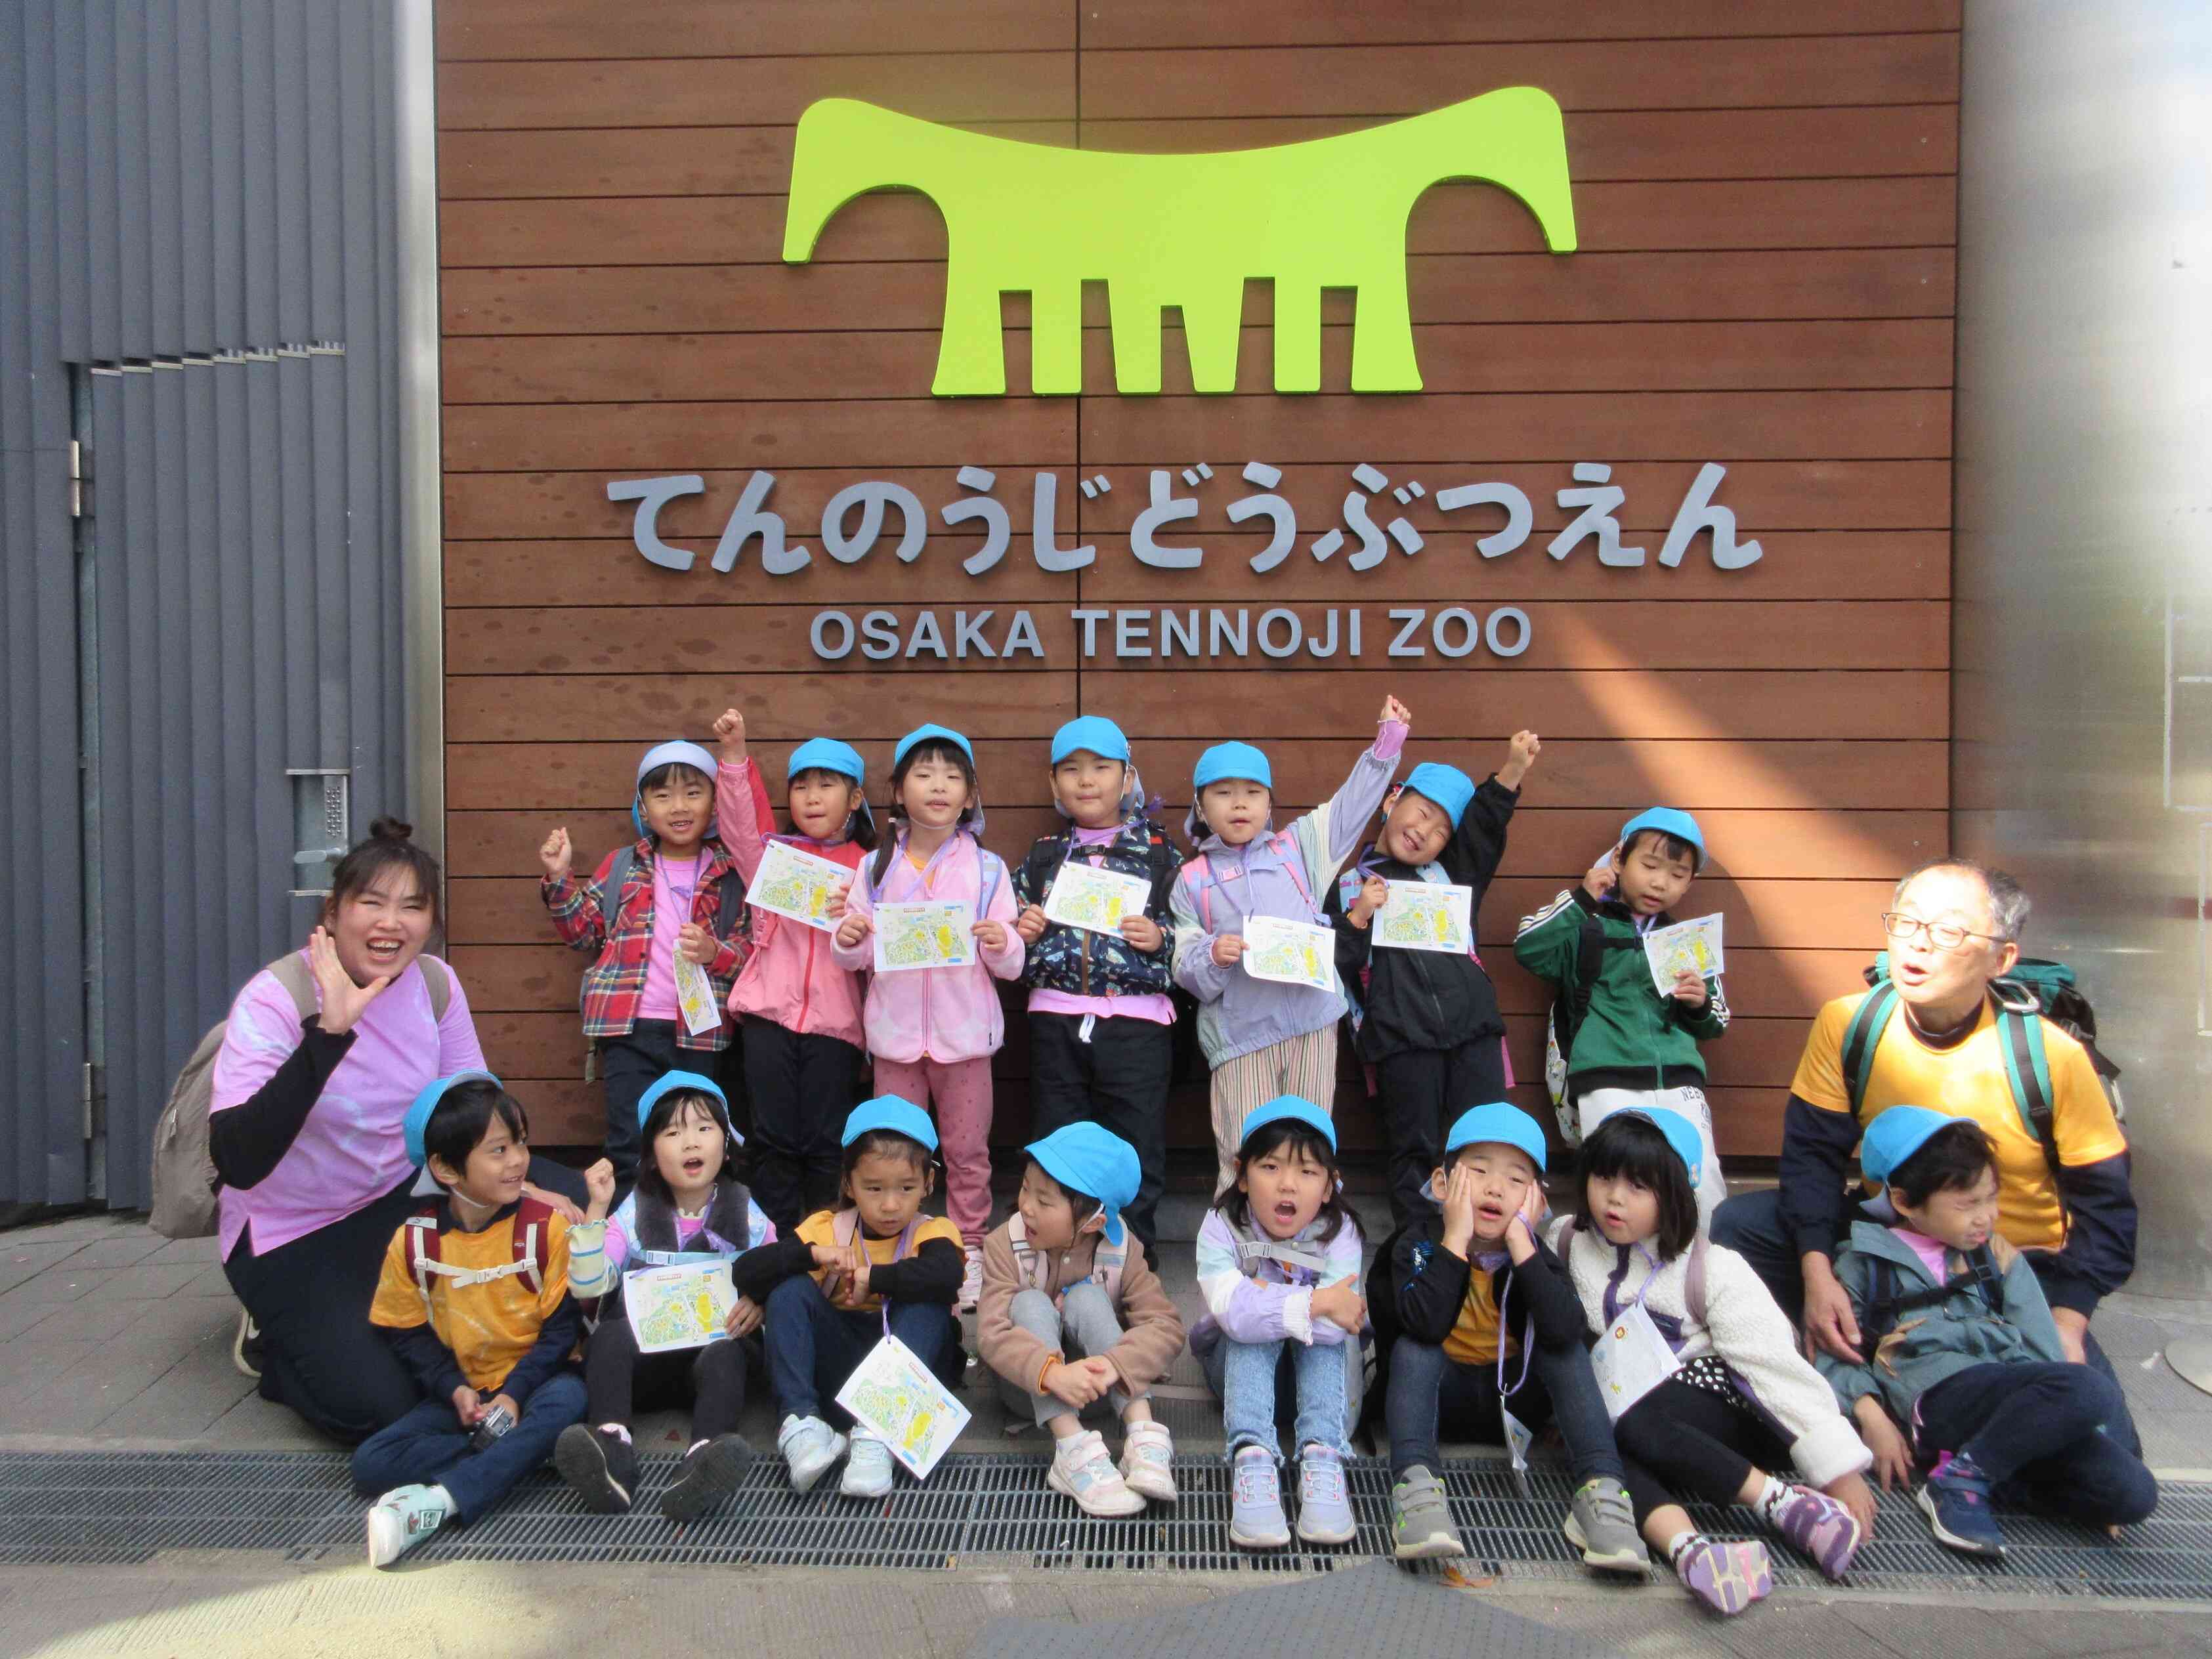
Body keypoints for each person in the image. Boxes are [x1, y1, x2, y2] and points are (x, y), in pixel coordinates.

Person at [1710, 859, 2137, 1421]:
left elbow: (2107, 1211)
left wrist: (2067, 1320)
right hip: (1887, 1251)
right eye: (1906, 923)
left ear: (2001, 957)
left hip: (2010, 1273)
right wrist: (1818, 1276)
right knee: (1742, 1226)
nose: (1918, 946)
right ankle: (1846, 1365)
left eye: (1949, 932)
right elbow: (1812, 1160)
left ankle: (1937, 1383)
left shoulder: (2049, 1054)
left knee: (2100, 1448)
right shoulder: (1850, 1024)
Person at [209, 818, 582, 1444]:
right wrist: (326, 1036)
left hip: (400, 1196)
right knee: (381, 1406)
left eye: (412, 906)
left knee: (581, 1199)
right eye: (372, 903)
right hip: (292, 1230)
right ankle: (275, 1346)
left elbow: (473, 1110)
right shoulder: (275, 999)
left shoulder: (434, 983)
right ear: (333, 912)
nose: (392, 923)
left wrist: (522, 1182)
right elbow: (239, 1160)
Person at [1552, 1111, 1873, 1616]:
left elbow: (1772, 1367)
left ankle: (1786, 1505)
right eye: (1604, 1177)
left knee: (1611, 1414)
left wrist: (1839, 1469)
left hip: (1725, 1412)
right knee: (1602, 1434)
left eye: (1639, 1186)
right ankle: (1694, 1553)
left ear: (1677, 1195)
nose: (1615, 1197)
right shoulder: (1568, 1242)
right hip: (1630, 1420)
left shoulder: (1712, 1268)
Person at [1814, 1108, 2156, 1558]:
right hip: (1938, 1399)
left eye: (1991, 1199)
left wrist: (2058, 1421)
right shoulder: (1862, 1264)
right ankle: (1958, 1484)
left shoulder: (1996, 1257)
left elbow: (2042, 1349)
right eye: (1967, 1205)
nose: (1986, 1217)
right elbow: (1836, 1355)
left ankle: (1975, 1474)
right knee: (2089, 1386)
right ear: (1903, 1202)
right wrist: (1872, 1419)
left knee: (2134, 1494)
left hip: (2013, 1404)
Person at [1368, 1102, 1646, 1572]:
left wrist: (1522, 1246)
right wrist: (1455, 1240)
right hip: (1438, 1399)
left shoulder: (1534, 1253)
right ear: (1442, 1184)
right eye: (1478, 1171)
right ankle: (1416, 1492)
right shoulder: (1414, 1244)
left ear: (1536, 1200)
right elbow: (1424, 1324)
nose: (1496, 1188)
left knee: (1567, 1349)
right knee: (1417, 1347)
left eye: (1517, 1180)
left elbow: (1564, 1331)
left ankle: (1601, 1493)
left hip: (1513, 1403)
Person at [1171, 699, 1411, 1194]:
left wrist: (1386, 747)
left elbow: (1351, 806)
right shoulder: (1191, 879)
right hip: (1240, 1037)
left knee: (1309, 1154)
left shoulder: (1299, 848)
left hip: (1312, 1025)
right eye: (1223, 793)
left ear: (1269, 804)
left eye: (1253, 793)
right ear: (1201, 806)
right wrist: (1213, 956)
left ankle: (1310, 1261)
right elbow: (1183, 964)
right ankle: (1238, 1264)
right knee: (1244, 1156)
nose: (1240, 804)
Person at [352, 1074, 587, 1568]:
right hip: (470, 1399)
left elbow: (562, 1329)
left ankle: (436, 1504)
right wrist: (453, 1388)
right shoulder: (415, 1242)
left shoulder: (545, 1228)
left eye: (520, 1142)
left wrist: (515, 1394)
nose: (519, 1160)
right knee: (370, 1462)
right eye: (498, 1150)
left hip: (537, 1384)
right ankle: (523, 1456)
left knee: (570, 1401)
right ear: (445, 1167)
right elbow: (406, 1329)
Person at [830, 724, 1024, 1309]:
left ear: (969, 796)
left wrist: (1000, 942)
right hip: (894, 1041)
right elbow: (854, 954)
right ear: (897, 789)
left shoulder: (988, 869)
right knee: (895, 1152)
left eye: (952, 776)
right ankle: (898, 1250)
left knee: (967, 1152)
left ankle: (966, 1255)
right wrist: (850, 935)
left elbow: (1012, 963)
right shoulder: (872, 868)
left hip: (964, 1042)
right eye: (923, 774)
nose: (938, 786)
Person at [1329, 736, 1541, 1228]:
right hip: (1402, 1042)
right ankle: (1421, 1251)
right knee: (1415, 1148)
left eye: (1443, 830)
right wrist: (1359, 916)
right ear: (1391, 800)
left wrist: (1510, 772)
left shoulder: (1451, 875)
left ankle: (1491, 1249)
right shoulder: (1344, 887)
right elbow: (1336, 964)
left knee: (1486, 1140)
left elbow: (1486, 828)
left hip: (1474, 1033)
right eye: (1422, 813)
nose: (1426, 832)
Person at [557, 1070, 771, 1521]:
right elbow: (589, 1285)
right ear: (652, 1155)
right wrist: (596, 1210)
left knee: (726, 1356)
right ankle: (612, 1452)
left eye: (703, 1128)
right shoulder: (633, 1212)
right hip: (647, 1366)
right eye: (673, 1132)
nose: (690, 1142)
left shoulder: (746, 1211)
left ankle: (703, 1459)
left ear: (726, 1144)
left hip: (712, 1359)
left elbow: (776, 1271)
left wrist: (759, 1300)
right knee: (609, 1339)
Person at [540, 739, 749, 1196]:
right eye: (663, 795)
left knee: (699, 1142)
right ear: (643, 806)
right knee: (629, 1139)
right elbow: (585, 933)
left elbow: (750, 949)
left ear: (714, 804)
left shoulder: (730, 872)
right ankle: (629, 1237)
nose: (679, 806)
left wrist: (716, 953)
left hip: (700, 1031)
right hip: (627, 1030)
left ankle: (692, 1233)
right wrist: (560, 879)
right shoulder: (621, 866)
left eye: (693, 793)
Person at [1010, 716, 1184, 1256]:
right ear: (1053, 784)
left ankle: (1131, 1264)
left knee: (1135, 1147)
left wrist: (1161, 937)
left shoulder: (1160, 853)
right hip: (1056, 1021)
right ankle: (1058, 1261)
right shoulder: (1042, 856)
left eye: (1101, 768)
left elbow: (1194, 933)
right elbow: (1007, 939)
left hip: (1136, 1022)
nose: (1087, 780)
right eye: (1071, 769)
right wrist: (1023, 930)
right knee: (1058, 1144)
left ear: (1127, 777)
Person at [734, 1097, 964, 1499]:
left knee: (930, 1302)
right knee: (789, 1290)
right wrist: (808, 1255)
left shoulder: (934, 1231)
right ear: (848, 1184)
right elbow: (746, 1271)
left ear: (928, 1184)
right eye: (874, 1188)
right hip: (838, 1376)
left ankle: (877, 1434)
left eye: (906, 1188)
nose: (890, 1204)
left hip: (905, 1388)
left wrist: (876, 1278)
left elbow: (948, 1275)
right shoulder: (828, 1229)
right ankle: (802, 1426)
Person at [1514, 808, 1730, 1222]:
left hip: (1679, 1080)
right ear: (1619, 860)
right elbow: (1529, 948)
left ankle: (1703, 1275)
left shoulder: (1686, 941)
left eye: (1678, 875)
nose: (1659, 882)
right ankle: (1605, 1276)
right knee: (1613, 1184)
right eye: (1649, 865)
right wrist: (1580, 899)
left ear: (1690, 883)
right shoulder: (1586, 925)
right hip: (1605, 1075)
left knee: (1702, 1184)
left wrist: (1700, 1003)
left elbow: (1718, 1022)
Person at [712, 709, 876, 1234]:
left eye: (827, 785)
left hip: (838, 1026)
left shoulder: (871, 866)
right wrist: (735, 758)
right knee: (774, 1137)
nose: (811, 796)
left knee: (828, 1142)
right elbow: (741, 825)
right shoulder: (773, 857)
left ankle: (825, 1243)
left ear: (854, 799)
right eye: (801, 786)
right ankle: (773, 1244)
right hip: (769, 1018)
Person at [975, 1123, 1185, 1516]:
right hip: (1030, 1392)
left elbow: (1167, 1327)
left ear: (1094, 1222)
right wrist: (1053, 1373)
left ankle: (1142, 1435)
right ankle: (1072, 1451)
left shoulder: (1123, 1251)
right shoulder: (1005, 1243)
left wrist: (1112, 1365)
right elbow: (990, 1333)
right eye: (1025, 1188)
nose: (1026, 1207)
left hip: (1101, 1390)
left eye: (1045, 1201)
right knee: (1030, 1303)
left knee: (1088, 1298)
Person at [1192, 1099, 1367, 1551]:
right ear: (1243, 1174)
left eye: (1308, 1172)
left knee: (1314, 1336)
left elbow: (1333, 1330)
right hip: (1234, 1374)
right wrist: (1319, 1301)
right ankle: (1252, 1459)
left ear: (1330, 1187)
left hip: (1321, 1381)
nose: (1287, 1185)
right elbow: (1233, 1312)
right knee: (1248, 1332)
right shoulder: (1220, 1226)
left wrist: (1277, 1302)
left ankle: (1322, 1457)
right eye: (1270, 1167)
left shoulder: (1341, 1230)